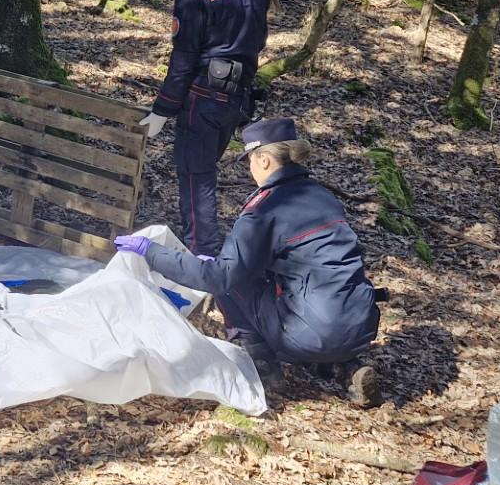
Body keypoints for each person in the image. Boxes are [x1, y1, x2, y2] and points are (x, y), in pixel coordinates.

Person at [115, 118, 379, 375]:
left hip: (311, 334)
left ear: (263, 159)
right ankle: (342, 365)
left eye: (249, 161)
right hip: (362, 327)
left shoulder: (264, 211)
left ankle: (261, 363)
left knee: (231, 282)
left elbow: (219, 277)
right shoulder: (323, 196)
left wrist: (150, 251)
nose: (249, 169)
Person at [138, 0, 270, 256]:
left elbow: (183, 58)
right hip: (239, 94)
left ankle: (203, 257)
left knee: (196, 177)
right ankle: (205, 251)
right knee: (205, 167)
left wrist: (162, 110)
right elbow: (258, 39)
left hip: (205, 95)